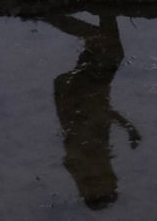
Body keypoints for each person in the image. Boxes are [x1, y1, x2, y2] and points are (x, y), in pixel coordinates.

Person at [44, 11, 139, 210]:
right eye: (112, 178)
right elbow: (101, 112)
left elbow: (92, 116)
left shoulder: (83, 157)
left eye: (108, 178)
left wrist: (126, 126)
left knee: (106, 48)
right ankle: (104, 10)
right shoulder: (93, 157)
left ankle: (52, 13)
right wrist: (127, 126)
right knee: (105, 48)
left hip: (78, 93)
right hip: (86, 92)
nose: (112, 174)